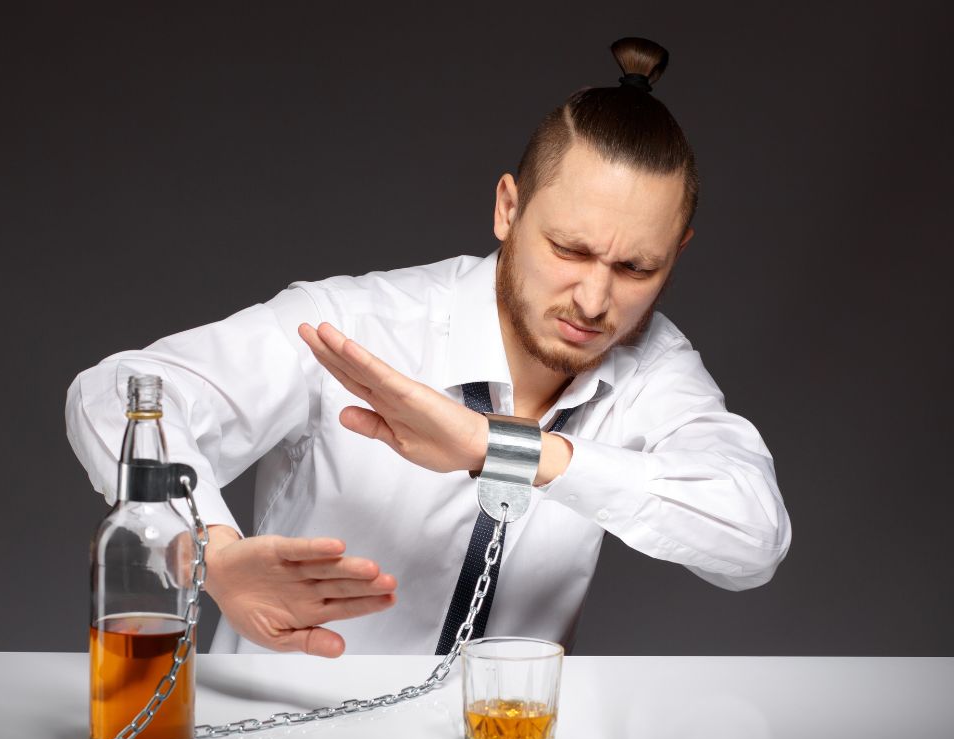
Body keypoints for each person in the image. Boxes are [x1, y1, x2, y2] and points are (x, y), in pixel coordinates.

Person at [65, 37, 791, 658]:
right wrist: (208, 553)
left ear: (678, 252)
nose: (596, 301)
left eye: (638, 268)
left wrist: (497, 447)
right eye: (570, 249)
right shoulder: (361, 325)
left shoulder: (652, 364)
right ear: (508, 207)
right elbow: (114, 389)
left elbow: (754, 534)